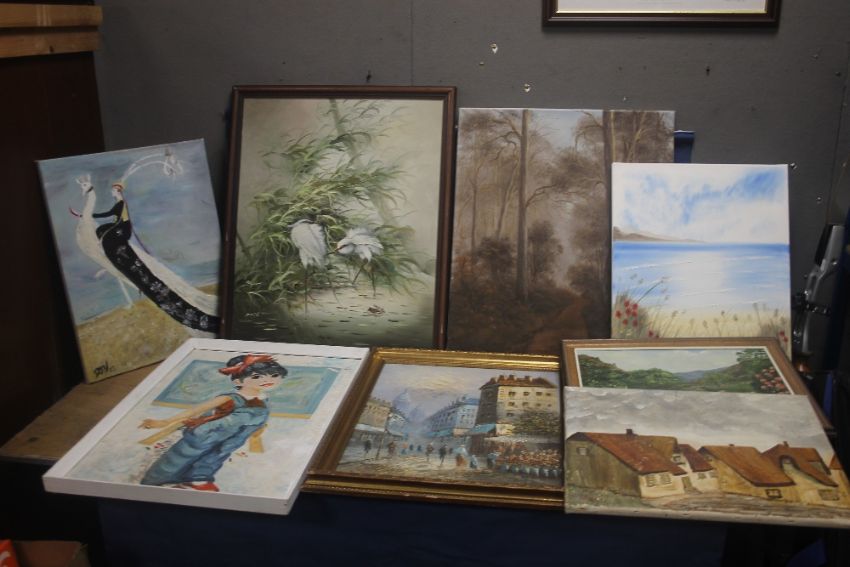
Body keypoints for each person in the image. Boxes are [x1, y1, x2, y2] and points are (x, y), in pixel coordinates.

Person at [139, 354, 287, 491]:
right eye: (256, 377)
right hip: (209, 432)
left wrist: (256, 432)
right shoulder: (230, 397)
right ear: (238, 381)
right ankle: (153, 482)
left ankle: (197, 480)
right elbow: (197, 410)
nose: (267, 380)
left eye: (274, 375)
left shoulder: (263, 399)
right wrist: (165, 422)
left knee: (216, 457)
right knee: (183, 456)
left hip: (234, 437)